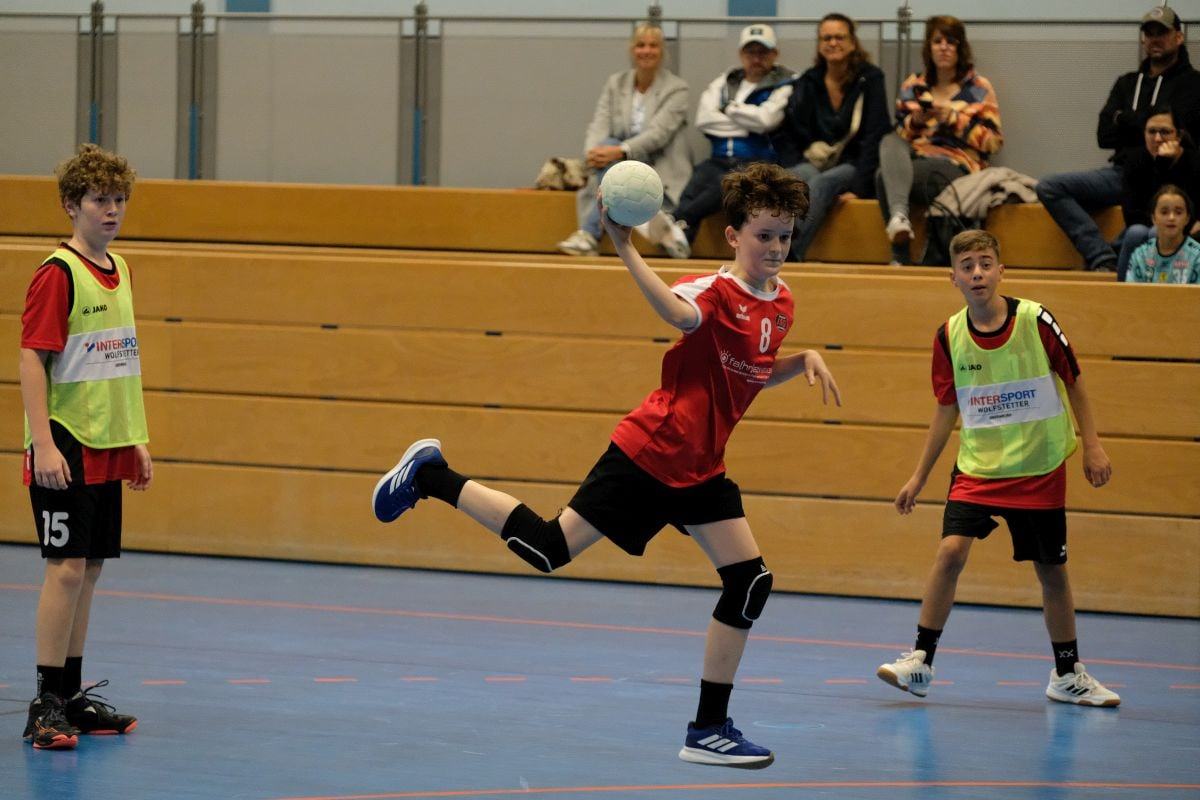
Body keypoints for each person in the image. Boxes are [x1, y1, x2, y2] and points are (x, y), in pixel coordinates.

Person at [373, 163, 840, 768]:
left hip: (701, 468)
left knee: (750, 581)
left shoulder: (782, 303)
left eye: (785, 235)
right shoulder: (713, 291)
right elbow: (679, 316)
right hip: (651, 454)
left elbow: (752, 371)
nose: (775, 247)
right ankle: (430, 475)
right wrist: (623, 245)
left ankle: (708, 729)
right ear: (733, 237)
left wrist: (801, 360)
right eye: (764, 235)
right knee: (548, 549)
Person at [876, 229, 1121, 708]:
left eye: (985, 264)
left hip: (1038, 468)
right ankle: (920, 661)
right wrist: (919, 476)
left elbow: (1073, 379)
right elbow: (946, 408)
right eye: (967, 266)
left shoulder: (1035, 320)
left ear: (1000, 270)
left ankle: (1068, 674)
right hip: (979, 470)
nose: (977, 273)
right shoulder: (949, 335)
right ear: (953, 278)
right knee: (950, 552)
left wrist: (1092, 445)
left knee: (1052, 572)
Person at [21, 144, 152, 750]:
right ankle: (45, 703)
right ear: (71, 205)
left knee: (91, 568)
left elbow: (118, 362)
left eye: (119, 199)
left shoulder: (120, 268)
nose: (112, 210)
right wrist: (43, 444)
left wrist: (135, 440)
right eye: (100, 199)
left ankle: (71, 696)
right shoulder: (57, 273)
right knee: (66, 568)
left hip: (108, 443)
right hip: (67, 443)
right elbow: (32, 359)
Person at [1037, 5, 1200, 272]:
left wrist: (1124, 118)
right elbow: (1104, 135)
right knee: (1049, 186)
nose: (1155, 39)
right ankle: (1102, 256)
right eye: (1149, 33)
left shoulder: (1194, 84)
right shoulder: (1127, 82)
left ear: (1179, 37)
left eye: (1162, 33)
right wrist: (1142, 122)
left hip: (1171, 176)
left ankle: (1119, 250)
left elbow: (1186, 133)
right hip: (1121, 172)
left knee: (1142, 229)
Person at [653, 24, 798, 259]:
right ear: (741, 54)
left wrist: (728, 109)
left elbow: (766, 121)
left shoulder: (785, 82)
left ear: (774, 54)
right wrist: (748, 123)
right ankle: (681, 242)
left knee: (725, 184)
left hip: (757, 162)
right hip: (718, 158)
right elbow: (704, 120)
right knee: (696, 183)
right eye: (750, 52)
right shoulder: (726, 80)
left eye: (763, 52)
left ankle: (678, 220)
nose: (756, 58)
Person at [876, 15, 1003, 266]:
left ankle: (899, 255)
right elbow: (901, 134)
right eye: (937, 41)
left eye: (951, 42)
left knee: (884, 177)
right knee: (889, 143)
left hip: (956, 164)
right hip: (914, 156)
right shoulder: (914, 85)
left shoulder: (978, 87)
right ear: (929, 47)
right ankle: (899, 221)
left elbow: (993, 142)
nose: (944, 47)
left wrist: (954, 119)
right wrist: (917, 120)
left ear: (960, 48)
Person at [557, 23, 691, 257]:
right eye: (640, 45)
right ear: (632, 50)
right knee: (606, 147)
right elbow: (599, 122)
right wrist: (594, 153)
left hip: (658, 164)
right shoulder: (615, 83)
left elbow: (658, 134)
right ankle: (651, 225)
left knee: (611, 152)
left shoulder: (677, 89)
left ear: (662, 51)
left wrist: (620, 151)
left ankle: (588, 234)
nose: (646, 51)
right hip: (615, 163)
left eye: (653, 45)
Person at [776, 13, 890, 262]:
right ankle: (765, 248)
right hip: (814, 161)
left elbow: (876, 135)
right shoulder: (809, 80)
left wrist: (860, 188)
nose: (833, 43)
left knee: (822, 183)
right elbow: (789, 132)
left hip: (853, 165)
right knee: (793, 179)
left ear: (852, 42)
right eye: (826, 38)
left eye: (840, 37)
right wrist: (796, 160)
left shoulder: (870, 79)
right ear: (819, 44)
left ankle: (788, 254)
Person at [1116, 106, 1200, 279]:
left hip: (1187, 227)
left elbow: (1184, 203)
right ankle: (1122, 288)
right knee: (1136, 232)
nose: (1157, 138)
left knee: (1158, 232)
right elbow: (1131, 214)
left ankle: (1165, 289)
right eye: (1151, 131)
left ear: (1179, 135)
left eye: (1165, 132)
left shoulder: (1194, 161)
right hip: (1147, 224)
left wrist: (1166, 165)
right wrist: (1161, 164)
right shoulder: (1134, 161)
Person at [1126, 184, 1200, 283]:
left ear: (1187, 218)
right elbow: (1130, 291)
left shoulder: (1197, 256)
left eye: (1178, 212)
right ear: (1153, 218)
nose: (1171, 217)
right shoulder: (1140, 255)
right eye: (1164, 212)